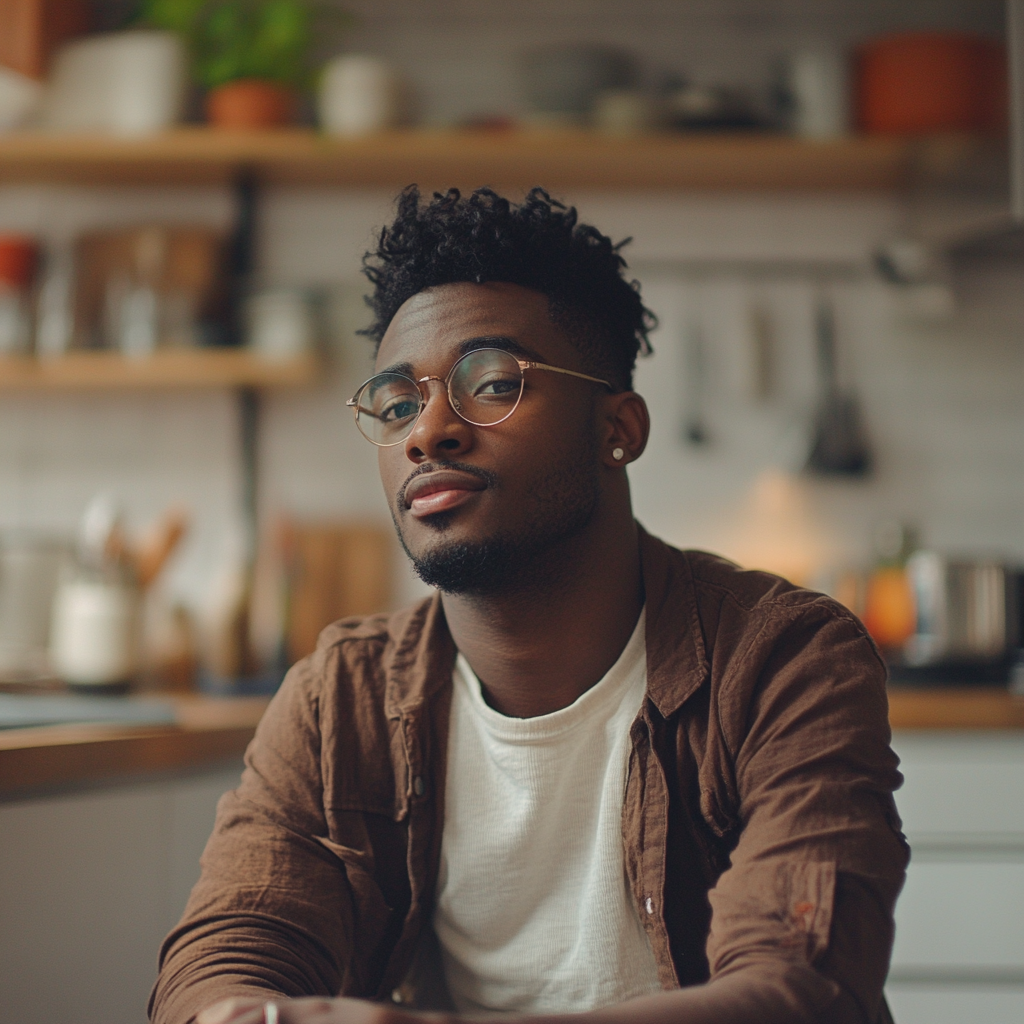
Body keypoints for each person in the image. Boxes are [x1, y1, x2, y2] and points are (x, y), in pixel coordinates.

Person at [150, 187, 908, 1024]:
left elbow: (799, 993)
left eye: (493, 383)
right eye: (398, 402)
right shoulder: (340, 700)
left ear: (618, 429)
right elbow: (224, 961)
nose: (426, 431)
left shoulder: (782, 660)